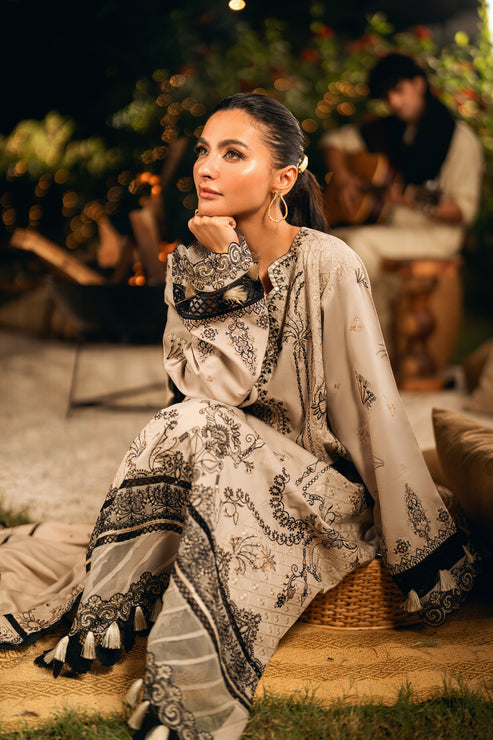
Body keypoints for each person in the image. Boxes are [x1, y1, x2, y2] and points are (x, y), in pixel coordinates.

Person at [0, 93, 480, 740]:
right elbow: (212, 393)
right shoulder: (185, 268)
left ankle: (193, 681)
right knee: (188, 422)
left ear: (284, 178)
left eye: (232, 153)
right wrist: (224, 271)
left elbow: (374, 408)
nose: (206, 167)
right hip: (218, 468)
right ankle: (112, 610)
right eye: (204, 150)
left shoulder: (330, 263)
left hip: (318, 490)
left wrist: (419, 548)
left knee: (201, 426)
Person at [322, 52, 483, 338]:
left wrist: (409, 200)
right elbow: (334, 142)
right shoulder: (392, 128)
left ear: (419, 84)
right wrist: (345, 179)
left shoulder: (460, 139)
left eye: (398, 91)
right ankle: (357, 338)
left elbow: (462, 211)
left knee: (357, 244)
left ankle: (358, 337)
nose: (394, 102)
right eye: (387, 96)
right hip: (391, 227)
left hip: (436, 235)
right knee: (331, 240)